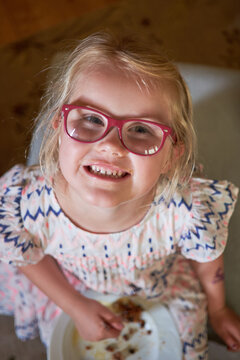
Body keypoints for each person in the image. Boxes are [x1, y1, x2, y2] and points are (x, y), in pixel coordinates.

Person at [0, 31, 239, 359]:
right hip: (69, 284)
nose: (110, 145)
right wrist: (75, 305)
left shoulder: (186, 208)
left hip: (161, 286)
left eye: (141, 130)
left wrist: (218, 309)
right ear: (57, 125)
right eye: (91, 119)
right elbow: (21, 251)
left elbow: (207, 261)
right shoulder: (26, 201)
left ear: (172, 155)